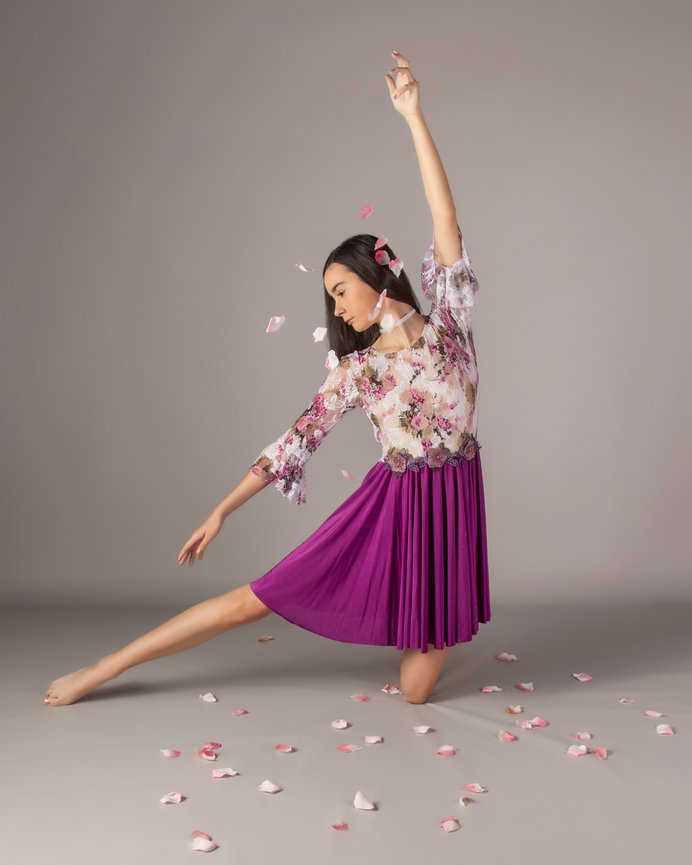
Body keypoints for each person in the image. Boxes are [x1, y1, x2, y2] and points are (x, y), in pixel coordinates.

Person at [43, 50, 490, 708]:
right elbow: (295, 442)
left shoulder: (450, 321)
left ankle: (413, 610)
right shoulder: (358, 372)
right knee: (248, 604)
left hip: (449, 506)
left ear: (379, 274)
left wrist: (414, 116)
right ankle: (106, 667)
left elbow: (445, 220)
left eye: (341, 290)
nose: (337, 307)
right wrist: (222, 508)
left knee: (417, 692)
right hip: (391, 511)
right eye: (330, 299)